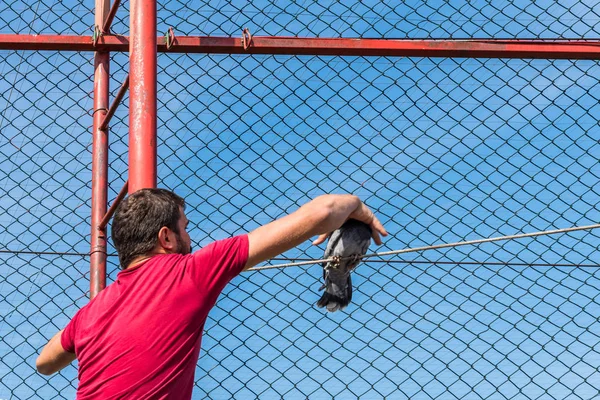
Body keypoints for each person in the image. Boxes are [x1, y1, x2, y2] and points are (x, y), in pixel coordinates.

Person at [36, 188, 387, 398]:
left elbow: (45, 362)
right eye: (185, 228)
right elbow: (324, 210)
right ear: (166, 238)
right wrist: (355, 204)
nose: (190, 237)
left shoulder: (93, 311)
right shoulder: (190, 271)